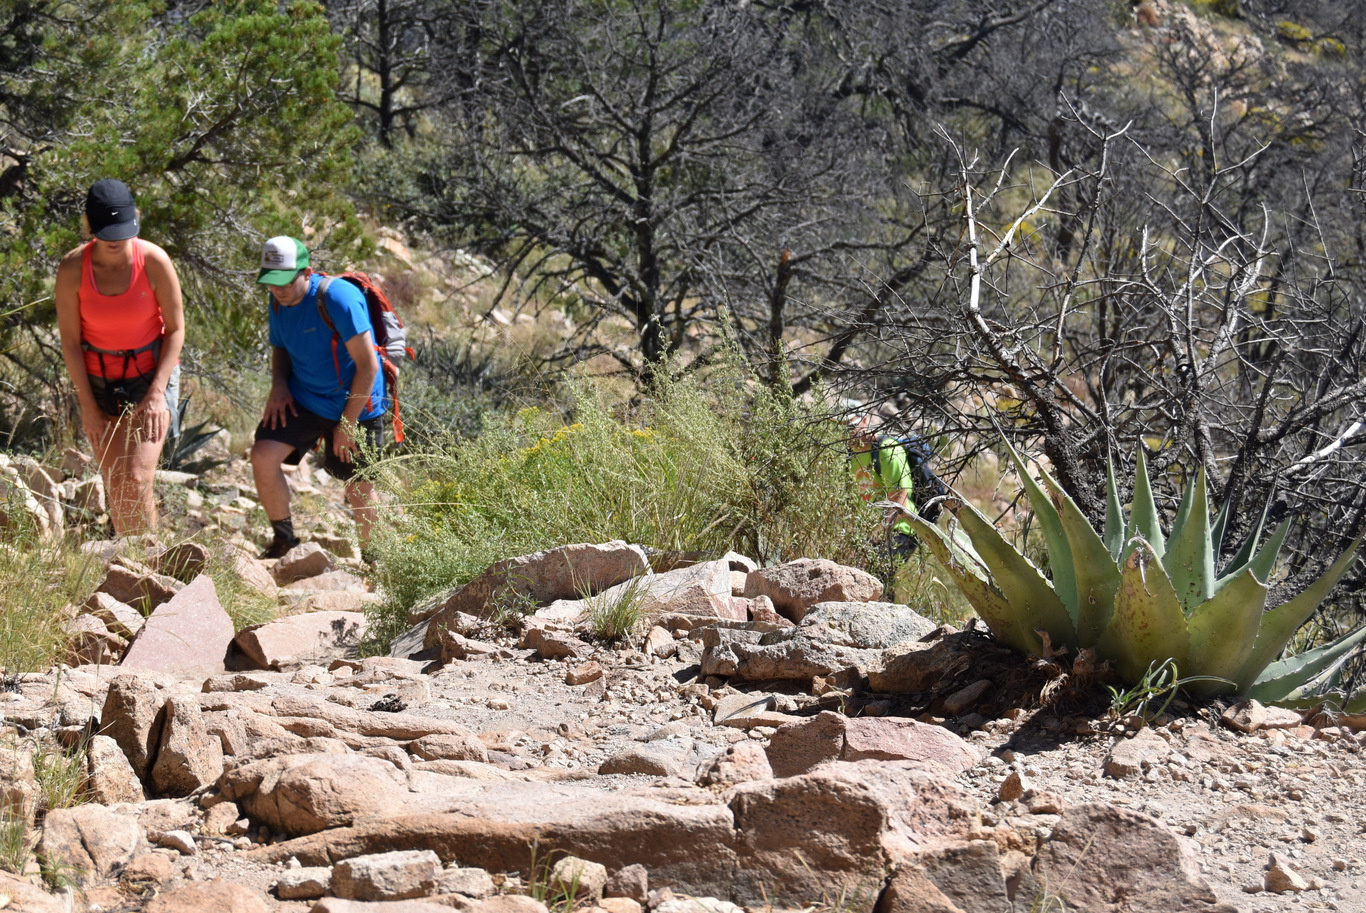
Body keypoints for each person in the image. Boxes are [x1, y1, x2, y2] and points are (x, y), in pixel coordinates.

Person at [55, 179, 185, 536]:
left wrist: (158, 393)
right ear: (88, 226)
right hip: (99, 381)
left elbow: (176, 330)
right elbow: (70, 342)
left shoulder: (154, 261)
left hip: (150, 377)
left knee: (137, 476)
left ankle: (149, 570)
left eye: (123, 230)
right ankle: (131, 568)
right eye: (106, 231)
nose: (115, 239)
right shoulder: (72, 270)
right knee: (117, 483)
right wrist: (88, 407)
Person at [249, 236, 385, 560]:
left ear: (307, 272)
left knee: (358, 485)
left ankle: (377, 563)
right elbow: (280, 346)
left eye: (285, 281)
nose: (278, 290)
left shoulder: (338, 299)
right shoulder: (278, 300)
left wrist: (347, 424)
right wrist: (279, 385)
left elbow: (368, 366)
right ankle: (284, 542)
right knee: (262, 456)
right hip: (306, 397)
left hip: (357, 405)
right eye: (271, 282)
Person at [846, 412, 921, 560]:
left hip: (898, 529)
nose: (847, 432)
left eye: (851, 425)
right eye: (840, 428)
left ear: (865, 420)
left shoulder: (887, 449)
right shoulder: (849, 455)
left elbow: (900, 498)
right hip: (870, 533)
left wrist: (876, 535)